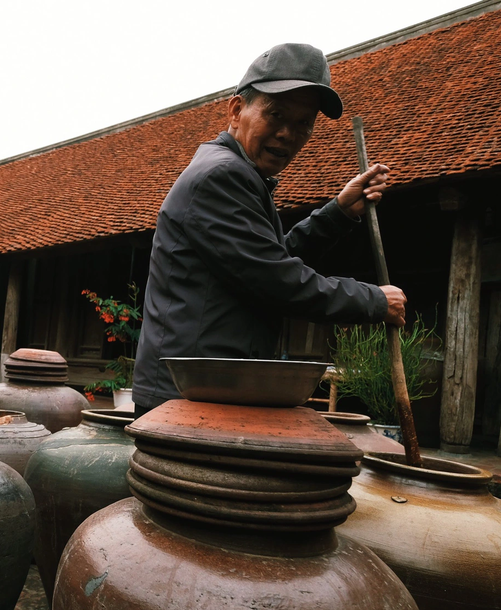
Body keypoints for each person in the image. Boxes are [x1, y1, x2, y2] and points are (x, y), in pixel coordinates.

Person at [132, 43, 407, 417]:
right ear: (236, 111)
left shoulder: (240, 174)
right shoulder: (223, 176)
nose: (287, 134)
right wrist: (373, 301)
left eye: (302, 123)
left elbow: (268, 259)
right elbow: (275, 279)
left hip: (203, 393)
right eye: (275, 114)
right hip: (187, 399)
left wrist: (338, 213)